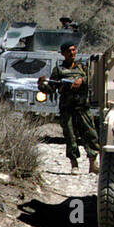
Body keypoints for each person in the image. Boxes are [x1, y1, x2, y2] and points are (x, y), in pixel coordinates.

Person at [40, 40, 98, 173]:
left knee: (90, 134)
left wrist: (81, 80)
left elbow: (92, 80)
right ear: (63, 53)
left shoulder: (83, 68)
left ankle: (93, 163)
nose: (72, 53)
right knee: (70, 136)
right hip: (67, 108)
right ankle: (74, 165)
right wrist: (42, 85)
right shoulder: (58, 70)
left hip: (83, 107)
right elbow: (50, 89)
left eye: (73, 50)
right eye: (69, 51)